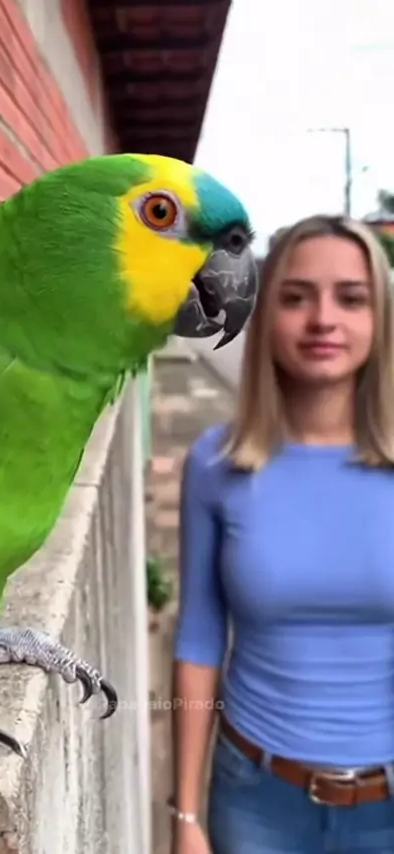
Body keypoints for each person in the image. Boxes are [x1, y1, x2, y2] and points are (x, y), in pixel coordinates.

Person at [169, 214, 394, 854]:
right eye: (296, 298)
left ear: (380, 319)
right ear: (266, 315)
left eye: (351, 299)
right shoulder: (216, 465)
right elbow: (199, 640)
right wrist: (185, 816)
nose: (323, 319)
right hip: (256, 803)